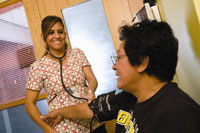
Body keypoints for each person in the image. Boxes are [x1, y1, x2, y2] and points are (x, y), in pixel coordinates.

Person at [41, 20, 200, 133]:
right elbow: (90, 109)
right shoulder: (129, 97)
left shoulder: (178, 113)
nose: (114, 66)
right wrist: (58, 112)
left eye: (119, 58)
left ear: (142, 63)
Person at [25, 15, 103, 133]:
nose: (57, 36)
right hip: (65, 128)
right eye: (51, 32)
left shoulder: (77, 53)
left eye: (60, 32)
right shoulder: (37, 67)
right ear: (43, 37)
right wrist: (48, 130)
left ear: (65, 34)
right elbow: (29, 105)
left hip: (92, 121)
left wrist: (91, 92)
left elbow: (92, 79)